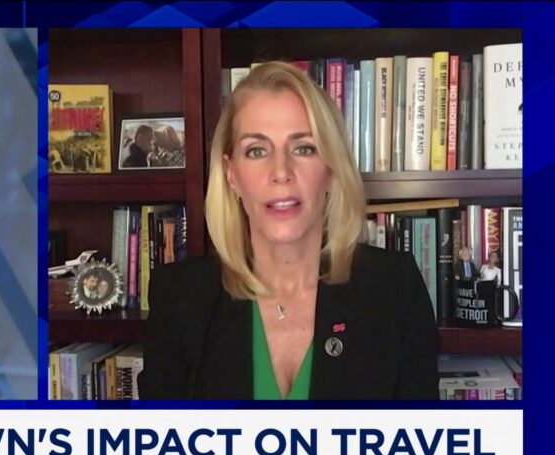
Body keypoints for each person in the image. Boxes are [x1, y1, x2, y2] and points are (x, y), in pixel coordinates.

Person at [138, 61, 438, 400]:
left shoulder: (395, 290)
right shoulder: (179, 298)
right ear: (231, 174)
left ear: (331, 168)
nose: (281, 171)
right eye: (257, 150)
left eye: (303, 148)